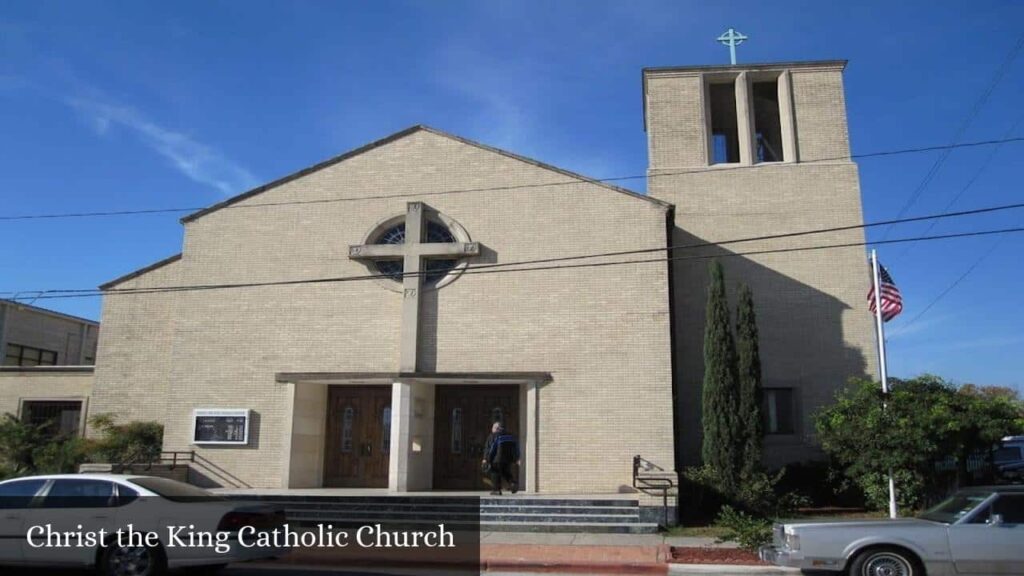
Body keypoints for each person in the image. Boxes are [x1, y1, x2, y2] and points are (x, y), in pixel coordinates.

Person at [482, 421, 520, 495]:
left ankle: (496, 490)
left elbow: (490, 448)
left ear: (496, 428)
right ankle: (513, 484)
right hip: (508, 459)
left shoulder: (493, 436)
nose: (492, 429)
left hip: (496, 459)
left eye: (492, 428)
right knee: (506, 472)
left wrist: (486, 459)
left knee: (495, 473)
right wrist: (516, 458)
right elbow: (516, 447)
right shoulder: (510, 436)